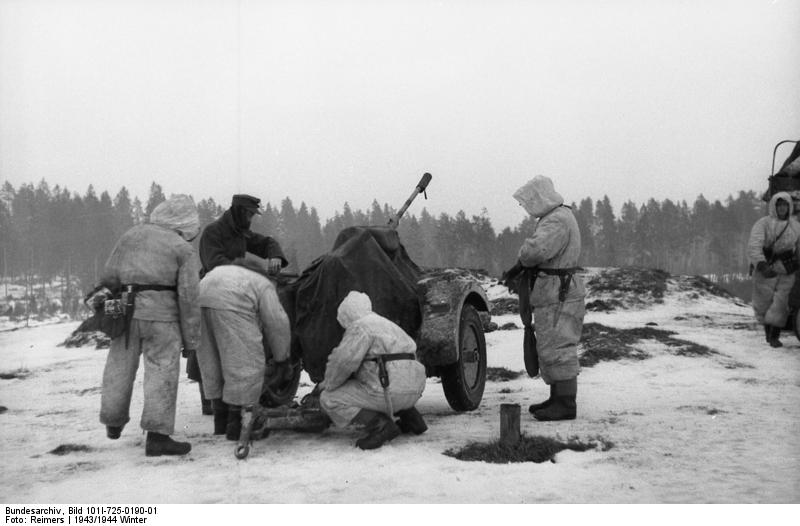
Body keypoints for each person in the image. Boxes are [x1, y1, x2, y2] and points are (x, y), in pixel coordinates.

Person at [98, 194, 201, 456]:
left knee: (119, 367)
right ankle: (157, 437)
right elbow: (188, 297)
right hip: (162, 318)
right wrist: (191, 341)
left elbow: (109, 277)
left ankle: (113, 421)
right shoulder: (182, 248)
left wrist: (110, 313)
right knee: (161, 373)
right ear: (182, 225)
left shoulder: (130, 236)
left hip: (125, 312)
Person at [187, 194, 289, 415]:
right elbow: (214, 263)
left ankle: (225, 405)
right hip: (211, 289)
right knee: (207, 350)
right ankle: (209, 399)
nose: (251, 218)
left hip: (236, 289)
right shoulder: (213, 232)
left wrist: (275, 256)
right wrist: (251, 271)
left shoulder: (240, 232)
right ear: (239, 211)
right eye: (250, 214)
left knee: (231, 350)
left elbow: (266, 242)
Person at [505, 175, 586, 421]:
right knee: (551, 345)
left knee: (559, 346)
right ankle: (557, 398)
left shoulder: (557, 220)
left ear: (539, 198)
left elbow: (535, 251)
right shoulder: (557, 217)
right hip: (555, 290)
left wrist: (521, 261)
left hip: (558, 292)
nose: (526, 208)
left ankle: (565, 403)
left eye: (528, 202)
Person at [196, 254, 293, 440]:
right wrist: (282, 359)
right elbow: (277, 323)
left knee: (212, 362)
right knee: (244, 362)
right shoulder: (261, 283)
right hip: (233, 302)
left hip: (202, 294)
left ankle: (220, 422)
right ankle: (237, 424)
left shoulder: (223, 270)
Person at [319, 291, 427, 450]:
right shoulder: (387, 324)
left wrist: (327, 384)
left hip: (389, 391)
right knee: (389, 381)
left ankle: (381, 426)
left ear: (346, 315)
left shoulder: (360, 327)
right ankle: (410, 416)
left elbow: (343, 363)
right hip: (414, 390)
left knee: (329, 398)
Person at [748, 191, 800, 348]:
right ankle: (767, 332)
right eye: (779, 205)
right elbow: (754, 245)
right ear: (774, 207)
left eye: (785, 205)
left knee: (781, 302)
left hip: (786, 267)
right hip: (766, 266)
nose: (782, 208)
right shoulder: (763, 223)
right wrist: (761, 264)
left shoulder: (796, 226)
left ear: (789, 207)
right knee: (764, 302)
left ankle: (774, 336)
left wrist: (798, 262)